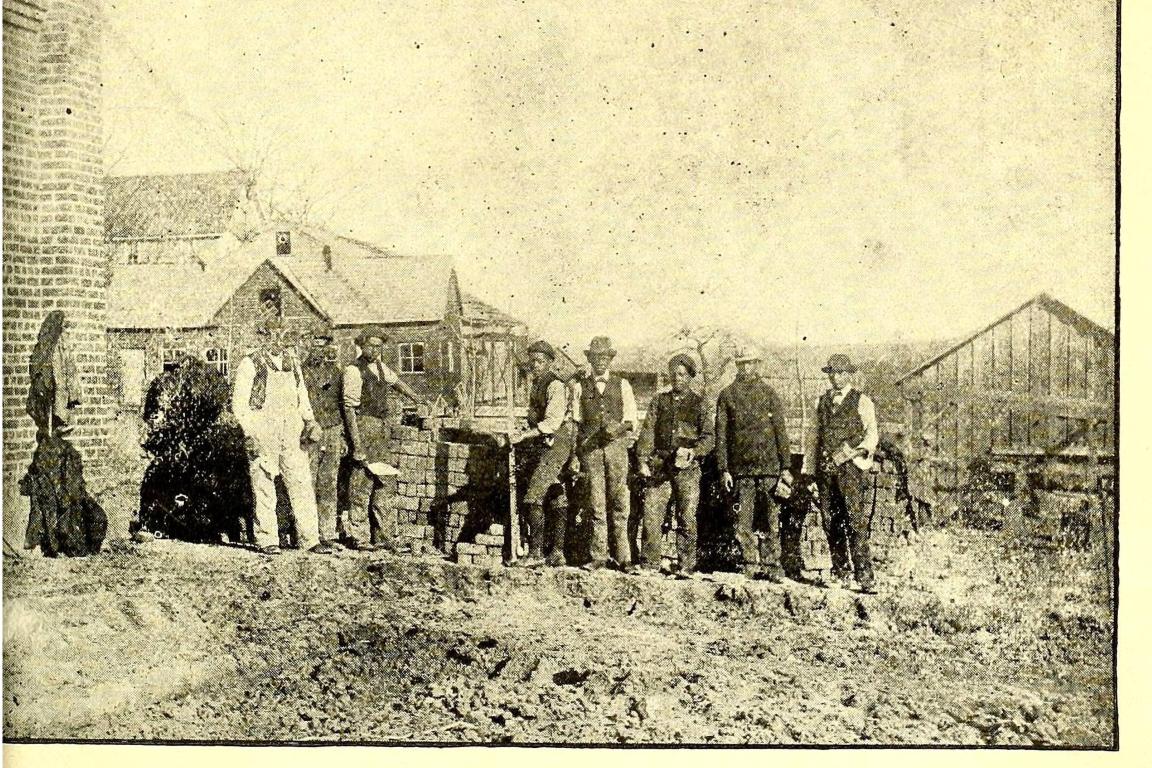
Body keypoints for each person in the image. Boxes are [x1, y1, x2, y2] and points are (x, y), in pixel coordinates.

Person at [231, 316, 327, 555]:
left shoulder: (292, 363)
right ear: (261, 337)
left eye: (282, 335)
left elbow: (301, 395)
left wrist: (310, 420)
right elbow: (239, 405)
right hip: (262, 428)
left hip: (291, 430)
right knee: (263, 482)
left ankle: (310, 539)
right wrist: (248, 433)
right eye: (271, 335)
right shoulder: (250, 363)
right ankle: (267, 539)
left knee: (301, 481)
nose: (277, 340)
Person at [802, 354, 881, 593]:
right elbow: (813, 438)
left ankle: (865, 577)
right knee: (830, 520)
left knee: (855, 521)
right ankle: (841, 572)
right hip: (826, 470)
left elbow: (872, 436)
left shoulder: (862, 401)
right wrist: (810, 471)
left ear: (849, 375)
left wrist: (854, 453)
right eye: (832, 373)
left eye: (841, 373)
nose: (836, 377)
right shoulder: (821, 402)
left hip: (850, 470)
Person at [715, 346, 793, 582]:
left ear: (757, 365)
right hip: (741, 470)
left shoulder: (769, 394)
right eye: (742, 364)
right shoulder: (727, 395)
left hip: (769, 468)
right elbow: (721, 435)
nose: (747, 368)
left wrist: (786, 466)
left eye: (751, 363)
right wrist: (724, 469)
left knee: (771, 520)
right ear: (737, 366)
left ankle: (771, 566)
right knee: (743, 521)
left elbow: (781, 431)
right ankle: (750, 565)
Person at [342, 326, 422, 552]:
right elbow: (349, 409)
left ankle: (383, 537)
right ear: (361, 345)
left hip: (381, 429)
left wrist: (417, 398)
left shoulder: (380, 366)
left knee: (384, 482)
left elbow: (396, 382)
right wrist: (356, 445)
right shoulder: (353, 371)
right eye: (371, 346)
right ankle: (359, 537)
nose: (375, 350)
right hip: (364, 426)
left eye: (379, 346)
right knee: (361, 483)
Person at [635, 353, 714, 577]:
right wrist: (642, 459)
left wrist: (694, 452)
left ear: (690, 377)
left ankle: (686, 565)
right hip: (660, 465)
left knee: (687, 515)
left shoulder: (700, 404)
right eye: (674, 374)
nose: (677, 378)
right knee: (652, 512)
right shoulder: (659, 401)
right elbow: (648, 431)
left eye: (682, 374)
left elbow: (709, 437)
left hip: (687, 468)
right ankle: (649, 563)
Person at [570, 336, 637, 571]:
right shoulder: (580, 387)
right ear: (590, 359)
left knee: (620, 502)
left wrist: (616, 430)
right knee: (596, 503)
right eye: (596, 357)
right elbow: (576, 424)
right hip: (591, 451)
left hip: (616, 449)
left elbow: (631, 419)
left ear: (610, 359)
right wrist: (576, 455)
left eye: (604, 357)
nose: (600, 361)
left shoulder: (622, 384)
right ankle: (598, 555)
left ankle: (623, 558)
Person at [511, 340, 576, 567]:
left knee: (533, 496)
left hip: (557, 441)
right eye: (533, 361)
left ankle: (536, 553)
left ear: (549, 363)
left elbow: (551, 422)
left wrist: (524, 435)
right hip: (546, 442)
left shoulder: (555, 385)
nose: (536, 365)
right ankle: (558, 552)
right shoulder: (536, 383)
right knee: (556, 492)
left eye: (540, 361)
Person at [300, 322, 347, 550]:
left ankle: (327, 533)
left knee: (329, 482)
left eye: (324, 343)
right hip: (309, 432)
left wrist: (344, 436)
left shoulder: (336, 372)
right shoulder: (299, 371)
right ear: (309, 344)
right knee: (306, 481)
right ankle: (306, 534)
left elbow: (342, 405)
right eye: (316, 342)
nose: (319, 348)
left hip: (333, 430)